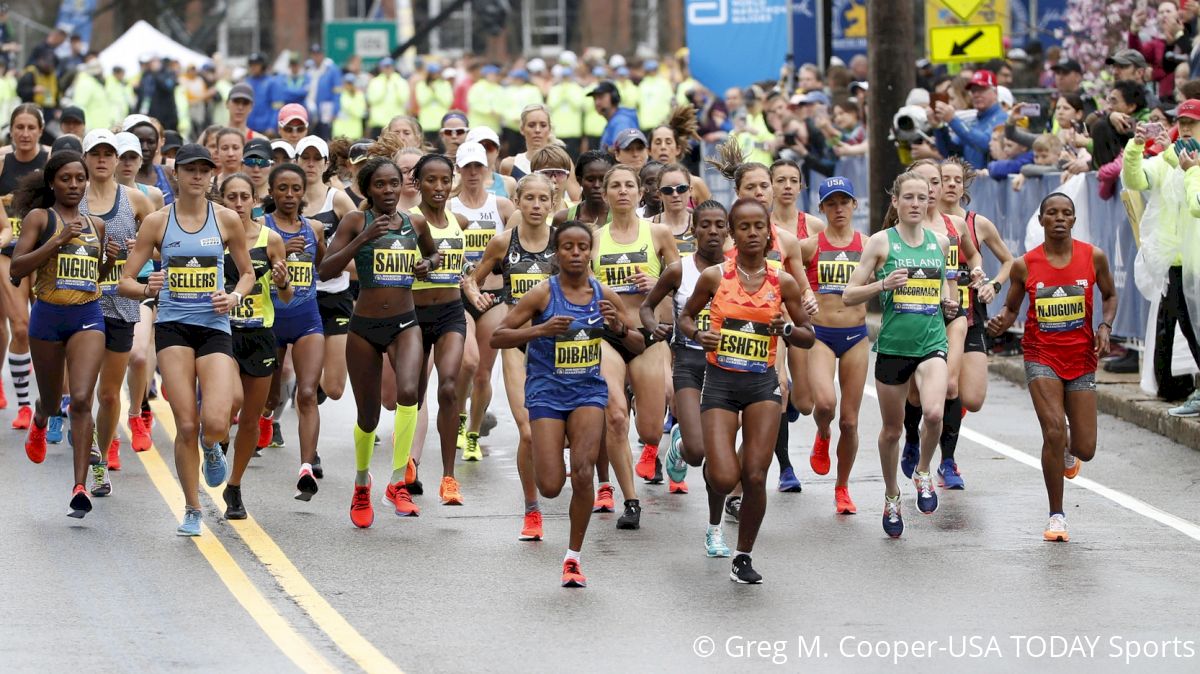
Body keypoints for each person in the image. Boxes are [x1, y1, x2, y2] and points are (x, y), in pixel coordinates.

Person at [491, 220, 641, 587]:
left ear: (591, 252)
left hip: (588, 391)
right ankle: (551, 463)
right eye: (568, 247)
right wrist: (540, 330)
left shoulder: (603, 294)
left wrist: (618, 329)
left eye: (582, 247)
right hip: (545, 393)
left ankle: (573, 557)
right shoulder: (542, 294)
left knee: (584, 471)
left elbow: (638, 343)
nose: (576, 253)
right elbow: (499, 336)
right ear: (557, 253)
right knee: (552, 486)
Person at [118, 144, 255, 535]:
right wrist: (149, 287)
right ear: (176, 174)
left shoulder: (227, 219)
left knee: (215, 421)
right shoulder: (158, 222)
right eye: (190, 169)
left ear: (212, 175)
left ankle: (213, 447)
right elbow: (125, 281)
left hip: (214, 326)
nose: (197, 176)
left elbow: (246, 273)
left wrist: (234, 296)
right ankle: (193, 508)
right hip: (174, 327)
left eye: (204, 170)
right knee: (186, 422)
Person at [676, 197, 815, 583]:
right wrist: (698, 334)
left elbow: (807, 335)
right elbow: (685, 318)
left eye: (759, 227)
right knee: (723, 476)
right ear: (732, 235)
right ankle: (714, 513)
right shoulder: (715, 277)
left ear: (768, 232)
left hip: (761, 385)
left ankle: (743, 556)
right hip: (719, 383)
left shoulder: (781, 280)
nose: (752, 233)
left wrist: (784, 329)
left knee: (754, 475)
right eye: (744, 227)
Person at [987, 193, 1116, 542]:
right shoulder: (1025, 265)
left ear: (1074, 220)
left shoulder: (1094, 257)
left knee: (1085, 448)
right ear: (1041, 220)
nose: (1060, 218)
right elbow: (1012, 308)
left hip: (1081, 358)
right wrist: (1002, 320)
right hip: (1041, 355)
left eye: (1067, 213)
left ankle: (1071, 450)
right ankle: (1056, 516)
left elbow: (1110, 295)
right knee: (1054, 430)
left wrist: (1104, 327)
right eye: (1052, 213)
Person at [318, 156, 438, 526]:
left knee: (408, 394)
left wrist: (427, 265)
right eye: (380, 185)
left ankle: (398, 482)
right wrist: (364, 239)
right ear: (368, 189)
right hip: (364, 327)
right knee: (368, 417)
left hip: (405, 323)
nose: (389, 191)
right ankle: (361, 483)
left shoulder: (414, 222)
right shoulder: (357, 220)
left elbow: (433, 253)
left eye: (394, 184)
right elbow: (325, 270)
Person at [843, 170, 960, 538]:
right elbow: (849, 295)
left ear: (929, 201)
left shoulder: (940, 243)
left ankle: (924, 470)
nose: (914, 204)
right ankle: (892, 493)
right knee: (892, 431)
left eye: (921, 198)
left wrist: (948, 302)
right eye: (907, 197)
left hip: (931, 342)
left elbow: (947, 290)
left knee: (935, 411)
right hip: (893, 346)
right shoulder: (881, 243)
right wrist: (882, 284)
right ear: (895, 202)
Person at [11, 151, 109, 516]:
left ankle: (79, 486)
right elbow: (16, 269)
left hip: (87, 315)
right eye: (66, 178)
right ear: (52, 182)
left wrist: (111, 260)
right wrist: (57, 240)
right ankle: (40, 418)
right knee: (53, 404)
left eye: (79, 179)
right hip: (48, 317)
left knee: (82, 399)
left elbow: (92, 279)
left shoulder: (96, 225)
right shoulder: (41, 218)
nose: (74, 185)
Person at [462, 173, 557, 540]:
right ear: (517, 202)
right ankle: (531, 510)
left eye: (542, 199)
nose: (535, 205)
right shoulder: (503, 243)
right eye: (528, 198)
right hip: (518, 343)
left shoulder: (563, 243)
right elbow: (471, 278)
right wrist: (477, 297)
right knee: (529, 432)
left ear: (552, 203)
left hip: (557, 346)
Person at [641, 199, 734, 554]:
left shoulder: (738, 271)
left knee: (718, 454)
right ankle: (678, 446)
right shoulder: (679, 270)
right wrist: (655, 329)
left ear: (728, 230)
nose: (712, 231)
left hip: (729, 368)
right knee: (697, 452)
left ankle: (715, 530)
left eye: (719, 225)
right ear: (693, 229)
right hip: (690, 364)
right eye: (705, 224)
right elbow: (648, 306)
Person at [591, 164, 680, 526]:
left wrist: (655, 282)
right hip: (607, 335)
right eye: (616, 186)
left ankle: (668, 445)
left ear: (641, 193)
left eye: (630, 185)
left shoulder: (657, 233)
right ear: (606, 194)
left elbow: (684, 282)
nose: (623, 191)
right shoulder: (594, 238)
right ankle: (630, 500)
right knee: (614, 416)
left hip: (649, 335)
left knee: (646, 430)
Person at [898, 160, 983, 490]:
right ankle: (910, 436)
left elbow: (973, 256)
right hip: (914, 314)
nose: (932, 189)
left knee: (950, 386)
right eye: (925, 183)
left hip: (951, 313)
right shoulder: (901, 227)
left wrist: (976, 271)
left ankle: (947, 461)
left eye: (935, 182)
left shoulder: (955, 225)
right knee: (916, 394)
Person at [79, 130, 155, 478]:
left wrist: (136, 248)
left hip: (120, 305)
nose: (103, 159)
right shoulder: (72, 197)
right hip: (80, 303)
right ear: (86, 157)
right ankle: (84, 456)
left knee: (109, 395)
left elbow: (158, 248)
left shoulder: (135, 201)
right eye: (96, 153)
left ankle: (102, 455)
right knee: (81, 393)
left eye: (109, 153)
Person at [935, 157, 1014, 486]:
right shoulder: (925, 222)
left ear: (964, 186)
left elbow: (1009, 261)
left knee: (973, 399)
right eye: (945, 179)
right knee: (947, 389)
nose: (951, 185)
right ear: (934, 184)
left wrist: (993, 285)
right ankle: (947, 461)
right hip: (933, 317)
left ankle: (949, 416)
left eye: (957, 180)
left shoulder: (976, 223)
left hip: (971, 316)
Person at [218, 173, 291, 519]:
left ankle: (234, 486)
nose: (238, 203)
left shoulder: (271, 239)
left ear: (254, 200)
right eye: (231, 197)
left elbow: (286, 295)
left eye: (244, 196)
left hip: (260, 333)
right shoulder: (213, 237)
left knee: (250, 418)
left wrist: (284, 281)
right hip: (222, 332)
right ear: (221, 200)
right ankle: (217, 440)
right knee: (230, 400)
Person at [798, 177, 870, 513]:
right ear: (822, 208)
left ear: (854, 205)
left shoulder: (868, 245)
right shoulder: (811, 246)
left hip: (855, 336)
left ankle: (842, 488)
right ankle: (822, 433)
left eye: (844, 202)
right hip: (821, 335)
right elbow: (787, 273)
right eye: (831, 203)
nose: (838, 209)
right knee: (825, 404)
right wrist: (802, 298)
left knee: (851, 421)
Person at [262, 162, 326, 499]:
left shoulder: (315, 228)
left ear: (303, 193)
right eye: (282, 188)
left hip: (307, 318)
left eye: (296, 189)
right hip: (270, 319)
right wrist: (282, 252)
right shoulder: (262, 226)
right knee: (271, 397)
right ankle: (264, 421)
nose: (289, 195)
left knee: (306, 393)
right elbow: (248, 265)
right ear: (272, 191)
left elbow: (323, 267)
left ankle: (305, 466)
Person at [408, 154, 471, 504]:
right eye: (430, 180)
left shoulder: (459, 221)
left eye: (445, 180)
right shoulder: (408, 223)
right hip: (413, 315)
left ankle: (449, 477)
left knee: (448, 387)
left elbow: (466, 271)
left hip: (450, 313)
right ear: (417, 183)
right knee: (412, 394)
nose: (438, 187)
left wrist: (473, 288)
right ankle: (406, 465)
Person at [449, 141, 515, 461]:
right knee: (467, 362)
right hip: (458, 296)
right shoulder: (449, 208)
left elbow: (517, 251)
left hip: (494, 294)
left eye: (478, 166)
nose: (473, 173)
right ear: (458, 170)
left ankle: (473, 433)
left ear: (487, 168)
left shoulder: (502, 207)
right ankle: (460, 416)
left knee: (483, 373)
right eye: (467, 167)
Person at [295, 136, 356, 405]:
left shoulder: (338, 200)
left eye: (315, 159)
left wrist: (341, 264)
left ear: (326, 163)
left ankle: (310, 384)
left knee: (334, 388)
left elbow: (362, 241)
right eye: (304, 158)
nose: (310, 164)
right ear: (296, 161)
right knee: (299, 382)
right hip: (298, 297)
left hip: (335, 296)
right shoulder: (287, 197)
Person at [0, 104, 49, 429]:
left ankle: (52, 397)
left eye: (31, 127)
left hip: (44, 253)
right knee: (18, 326)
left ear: (40, 130)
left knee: (42, 332)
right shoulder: (2, 160)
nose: (25, 133)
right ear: (12, 129)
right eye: (20, 127)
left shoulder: (51, 159)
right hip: (8, 252)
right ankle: (22, 406)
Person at [933, 70, 1008, 171]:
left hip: (992, 184)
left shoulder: (1002, 118)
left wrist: (952, 120)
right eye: (973, 91)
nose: (976, 94)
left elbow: (985, 144)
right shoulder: (973, 120)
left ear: (995, 92)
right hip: (974, 182)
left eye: (981, 89)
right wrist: (939, 126)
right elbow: (950, 152)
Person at [647, 104, 711, 202]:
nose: (663, 147)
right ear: (649, 150)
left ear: (678, 149)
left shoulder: (695, 184)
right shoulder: (641, 185)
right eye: (658, 142)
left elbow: (711, 215)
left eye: (668, 142)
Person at [501, 104, 553, 180]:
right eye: (531, 125)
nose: (537, 130)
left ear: (549, 129)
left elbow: (574, 191)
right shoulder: (509, 165)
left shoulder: (562, 164)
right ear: (522, 129)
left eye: (543, 125)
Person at [589, 80, 640, 153]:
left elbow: (623, 153)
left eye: (601, 97)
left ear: (614, 97)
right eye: (595, 99)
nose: (597, 102)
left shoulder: (621, 122)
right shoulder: (615, 120)